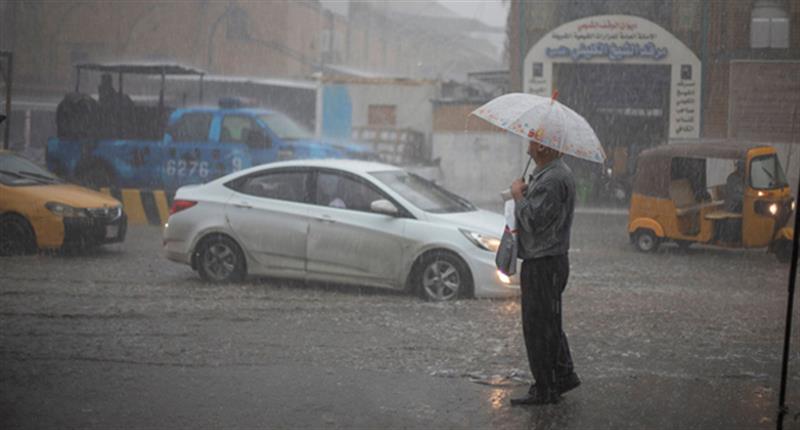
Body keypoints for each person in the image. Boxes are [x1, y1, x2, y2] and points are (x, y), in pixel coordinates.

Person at [509, 139, 580, 406]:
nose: (527, 145)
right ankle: (561, 376)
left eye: (532, 140)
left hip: (543, 262)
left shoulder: (552, 179)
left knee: (538, 327)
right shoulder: (552, 174)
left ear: (543, 148)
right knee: (549, 323)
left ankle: (545, 389)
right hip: (549, 261)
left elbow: (534, 221)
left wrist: (517, 196)